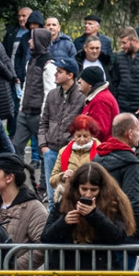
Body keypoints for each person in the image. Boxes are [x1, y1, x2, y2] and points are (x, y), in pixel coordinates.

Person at [93, 113, 139, 240]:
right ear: (129, 133)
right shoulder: (131, 163)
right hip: (126, 233)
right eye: (138, 130)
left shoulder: (97, 158)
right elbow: (134, 200)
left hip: (100, 229)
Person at [37, 57, 87, 192]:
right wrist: (43, 146)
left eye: (59, 71)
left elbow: (83, 125)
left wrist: (72, 146)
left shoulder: (82, 96)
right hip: (51, 151)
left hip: (71, 152)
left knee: (69, 193)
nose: (55, 74)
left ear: (70, 75)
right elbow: (43, 122)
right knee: (52, 194)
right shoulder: (52, 95)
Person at [12, 27, 55, 158]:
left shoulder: (48, 65)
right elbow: (25, 86)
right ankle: (17, 176)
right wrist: (20, 107)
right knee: (17, 146)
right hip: (24, 113)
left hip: (38, 116)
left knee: (44, 150)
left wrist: (43, 115)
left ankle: (44, 178)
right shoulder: (30, 61)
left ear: (39, 41)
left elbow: (49, 92)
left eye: (32, 39)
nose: (29, 41)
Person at [49, 115, 101, 203]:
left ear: (92, 135)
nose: (81, 139)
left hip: (93, 199)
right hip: (69, 199)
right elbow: (52, 180)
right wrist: (62, 176)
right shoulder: (64, 151)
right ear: (73, 135)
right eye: (78, 136)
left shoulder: (100, 151)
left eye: (85, 136)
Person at [78, 65, 119, 140]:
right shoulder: (97, 97)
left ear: (90, 84)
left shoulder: (100, 100)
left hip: (100, 149)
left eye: (82, 79)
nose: (79, 81)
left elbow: (100, 132)